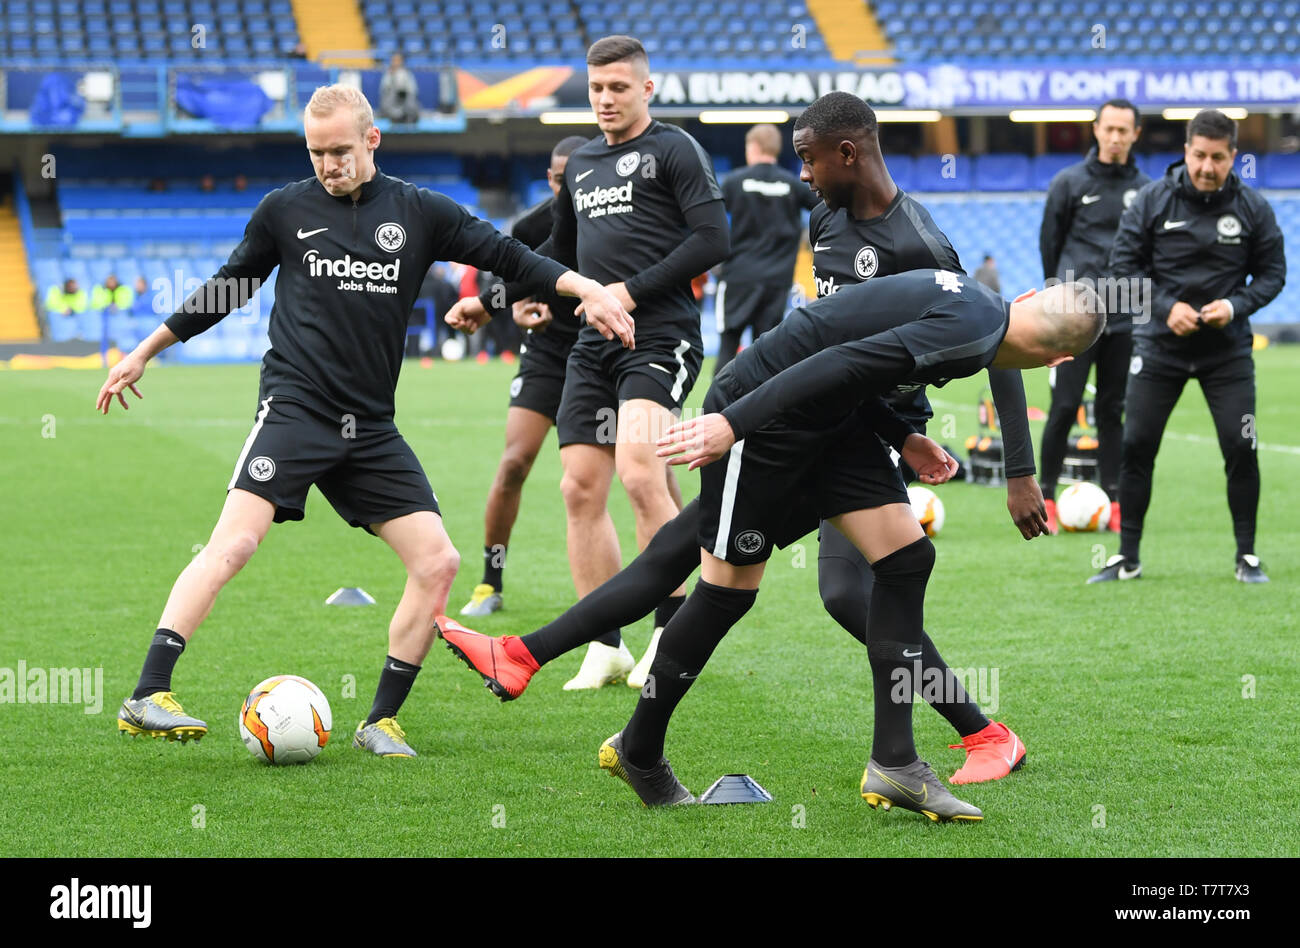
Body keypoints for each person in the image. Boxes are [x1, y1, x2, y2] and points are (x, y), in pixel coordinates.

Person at [442, 92, 1042, 784]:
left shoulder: (920, 243)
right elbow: (831, 340)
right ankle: (529, 661)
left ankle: (971, 735)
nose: (804, 178)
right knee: (684, 552)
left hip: (862, 434)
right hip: (810, 422)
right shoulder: (824, 218)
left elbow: (993, 340)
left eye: (810, 162)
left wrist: (1014, 471)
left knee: (839, 592)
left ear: (848, 153)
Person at [445, 271, 1104, 818]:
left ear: (1026, 301)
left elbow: (856, 361)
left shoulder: (981, 308)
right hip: (768, 417)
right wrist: (731, 424)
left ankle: (897, 763)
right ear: (1059, 362)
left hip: (828, 425)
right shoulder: (973, 334)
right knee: (725, 591)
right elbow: (840, 359)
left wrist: (900, 437)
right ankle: (635, 744)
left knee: (906, 557)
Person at [100, 84, 631, 757]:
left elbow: (509, 257)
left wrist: (584, 287)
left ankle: (380, 719)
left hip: (370, 427)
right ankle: (148, 694)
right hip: (294, 408)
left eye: (340, 151)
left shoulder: (420, 212)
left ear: (372, 140)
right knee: (233, 545)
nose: (328, 164)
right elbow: (227, 287)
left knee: (438, 560)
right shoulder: (284, 210)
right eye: (317, 152)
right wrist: (145, 352)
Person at [447, 35, 729, 691]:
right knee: (578, 488)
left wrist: (628, 291)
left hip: (660, 336)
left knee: (639, 471)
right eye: (597, 89)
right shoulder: (582, 168)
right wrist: (490, 302)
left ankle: (671, 631)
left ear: (646, 89)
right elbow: (558, 261)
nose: (605, 100)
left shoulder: (675, 149)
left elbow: (715, 238)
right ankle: (606, 644)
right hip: (591, 344)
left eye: (619, 88)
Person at [460, 135, 683, 633]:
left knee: (650, 473)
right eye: (558, 178)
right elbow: (519, 285)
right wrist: (517, 308)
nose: (567, 186)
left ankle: (681, 588)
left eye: (572, 178)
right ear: (550, 179)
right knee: (516, 461)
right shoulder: (534, 226)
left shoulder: (626, 212)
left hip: (614, 346)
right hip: (550, 353)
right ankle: (490, 580)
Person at [1089, 108, 1285, 584]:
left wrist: (1236, 306)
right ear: (1186, 152)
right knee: (1136, 444)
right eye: (1199, 156)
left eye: (1218, 158)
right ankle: (1127, 557)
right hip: (1159, 346)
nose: (1207, 167)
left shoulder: (1253, 208)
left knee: (1241, 444)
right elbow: (1122, 270)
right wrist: (1164, 306)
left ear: (1233, 157)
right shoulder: (1152, 201)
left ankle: (1247, 557)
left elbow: (1274, 274)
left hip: (1227, 351)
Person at [1038, 99, 1150, 534]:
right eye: (1110, 129)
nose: (1116, 136)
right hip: (1074, 317)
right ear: (1096, 129)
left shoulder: (1147, 189)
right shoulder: (1068, 183)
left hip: (1125, 314)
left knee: (1112, 410)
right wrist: (1061, 298)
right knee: (1064, 406)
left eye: (1125, 130)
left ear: (1136, 134)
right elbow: (1051, 244)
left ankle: (1115, 500)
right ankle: (1044, 494)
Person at [713, 123, 819, 374]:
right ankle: (760, 411)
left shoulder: (734, 182)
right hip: (776, 281)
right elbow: (826, 209)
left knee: (729, 344)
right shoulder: (792, 185)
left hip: (738, 278)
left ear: (753, 147)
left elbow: (708, 218)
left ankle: (718, 409)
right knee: (765, 351)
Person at [379, 53, 420, 124]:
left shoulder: (407, 74)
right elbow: (384, 90)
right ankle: (396, 116)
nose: (396, 62)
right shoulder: (388, 74)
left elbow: (413, 90)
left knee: (411, 102)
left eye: (398, 60)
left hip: (405, 102)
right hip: (392, 102)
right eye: (394, 60)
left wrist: (404, 92)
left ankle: (405, 116)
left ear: (402, 61)